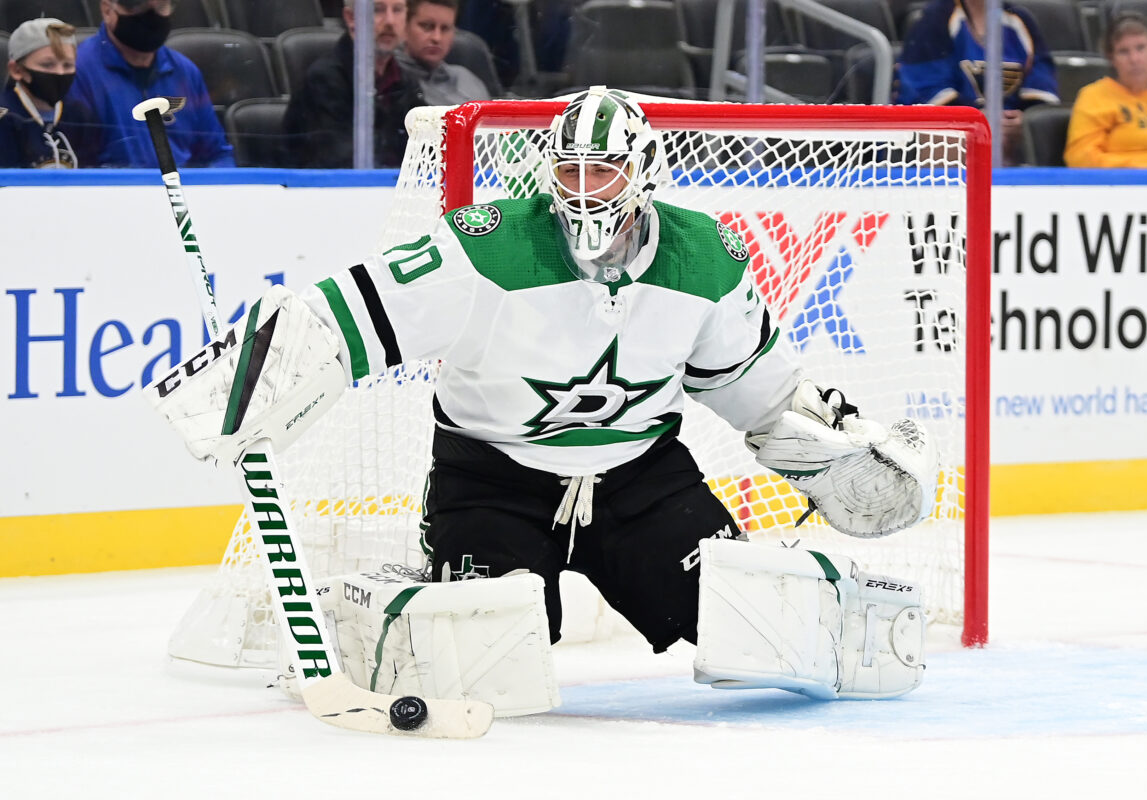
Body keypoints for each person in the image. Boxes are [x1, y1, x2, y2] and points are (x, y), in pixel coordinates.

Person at [153, 88, 935, 702]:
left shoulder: (707, 258)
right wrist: (263, 368)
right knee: (481, 653)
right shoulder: (484, 244)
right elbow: (355, 313)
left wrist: (829, 456)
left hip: (641, 481)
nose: (586, 190)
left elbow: (755, 392)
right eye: (570, 171)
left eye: (605, 171)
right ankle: (371, 614)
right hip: (492, 479)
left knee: (763, 624)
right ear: (547, 172)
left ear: (645, 173)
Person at [67, 0, 233, 168]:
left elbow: (217, 154)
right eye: (137, 6)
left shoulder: (185, 71)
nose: (151, 16)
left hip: (181, 188)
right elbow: (75, 161)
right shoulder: (79, 71)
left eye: (161, 7)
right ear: (107, 10)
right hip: (114, 188)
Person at [896, 0, 1059, 165]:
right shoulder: (935, 19)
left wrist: (1024, 119)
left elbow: (1042, 81)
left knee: (1035, 134)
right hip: (954, 131)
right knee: (957, 137)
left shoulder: (1019, 20)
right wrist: (978, 120)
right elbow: (926, 89)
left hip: (1009, 132)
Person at [284, 0, 424, 168]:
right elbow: (338, 159)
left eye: (398, 10)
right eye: (377, 10)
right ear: (351, 18)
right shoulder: (324, 79)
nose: (390, 21)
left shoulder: (406, 82)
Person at [1065, 12, 1147, 168]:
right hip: (1125, 186)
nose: (1134, 59)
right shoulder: (1094, 96)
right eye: (1123, 51)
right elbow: (1080, 157)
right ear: (1112, 59)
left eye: (1141, 48)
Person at [1, 18, 99, 168]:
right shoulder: (5, 118)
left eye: (67, 65)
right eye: (47, 65)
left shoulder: (80, 115)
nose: (59, 73)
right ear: (17, 70)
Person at [397, 0, 490, 105]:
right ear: (405, 27)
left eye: (445, 29)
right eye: (427, 26)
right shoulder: (390, 82)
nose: (437, 38)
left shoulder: (468, 81)